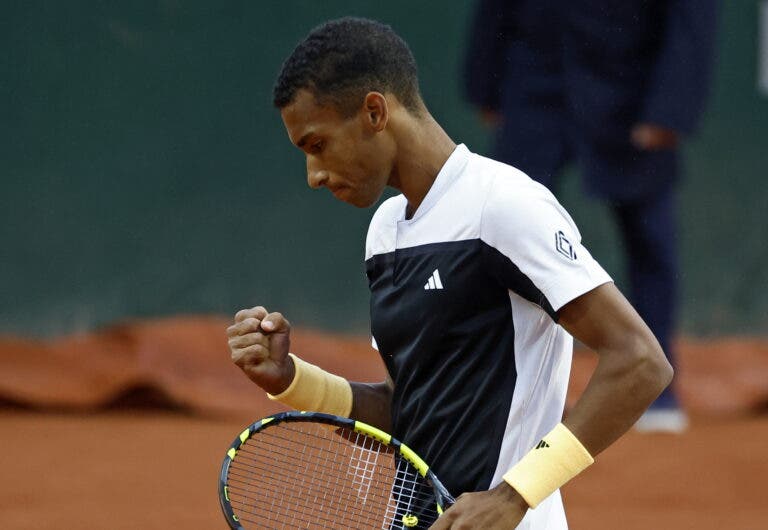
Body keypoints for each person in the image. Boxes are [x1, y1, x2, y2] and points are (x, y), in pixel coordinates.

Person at [227, 18, 672, 529]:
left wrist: (513, 496)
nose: (314, 175)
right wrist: (291, 380)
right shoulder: (386, 232)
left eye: (317, 144)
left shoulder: (501, 205)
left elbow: (640, 361)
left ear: (375, 111)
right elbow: (408, 409)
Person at [464, 1, 719, 432]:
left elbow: (692, 15)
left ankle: (655, 390)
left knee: (649, 238)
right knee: (500, 238)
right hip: (535, 79)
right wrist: (485, 83)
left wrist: (670, 108)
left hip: (632, 86)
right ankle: (498, 390)